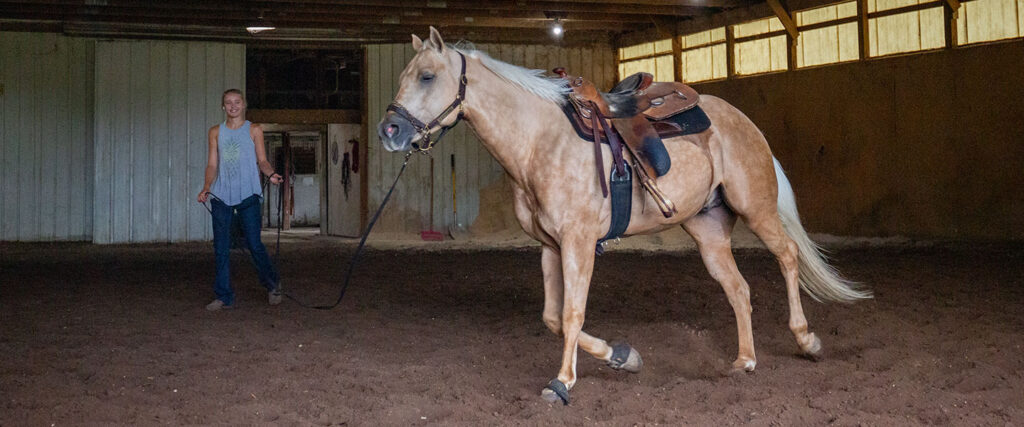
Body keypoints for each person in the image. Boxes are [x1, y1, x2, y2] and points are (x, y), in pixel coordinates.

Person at [197, 89, 283, 311]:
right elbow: (212, 164)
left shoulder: (254, 130)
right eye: (228, 102)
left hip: (248, 195)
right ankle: (223, 295)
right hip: (222, 196)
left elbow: (262, 160)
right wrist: (207, 187)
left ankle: (273, 284)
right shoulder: (215, 132)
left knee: (254, 244)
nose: (233, 106)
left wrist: (271, 174)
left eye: (237, 102)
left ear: (244, 104)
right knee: (221, 246)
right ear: (223, 107)